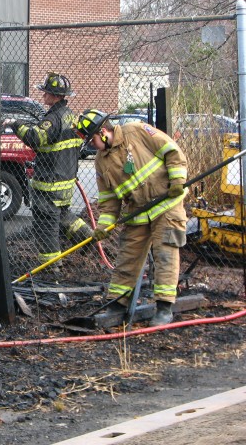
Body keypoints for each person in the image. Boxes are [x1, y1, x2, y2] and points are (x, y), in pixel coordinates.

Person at [73, 109, 188, 326]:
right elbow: (108, 200)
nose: (91, 145)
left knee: (166, 252)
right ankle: (118, 303)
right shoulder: (101, 161)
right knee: (128, 255)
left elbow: (172, 151)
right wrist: (103, 226)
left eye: (92, 140)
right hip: (138, 210)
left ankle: (164, 307)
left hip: (166, 204)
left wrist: (177, 181)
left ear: (104, 132)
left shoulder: (137, 131)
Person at [5, 72, 92, 271]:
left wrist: (15, 124)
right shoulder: (70, 115)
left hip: (49, 183)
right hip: (65, 180)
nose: (43, 96)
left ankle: (51, 267)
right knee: (62, 215)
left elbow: (36, 138)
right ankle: (87, 239)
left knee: (45, 224)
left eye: (46, 92)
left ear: (55, 95)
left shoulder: (53, 119)